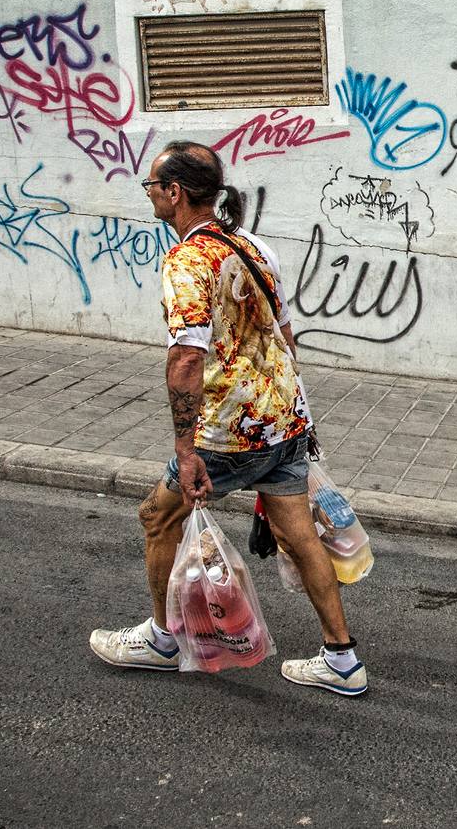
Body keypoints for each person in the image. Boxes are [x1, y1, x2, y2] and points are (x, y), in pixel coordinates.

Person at [89, 140, 366, 695]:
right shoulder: (253, 247)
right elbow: (284, 334)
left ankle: (164, 641)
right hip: (282, 420)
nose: (149, 194)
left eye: (153, 186)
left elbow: (187, 357)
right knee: (300, 536)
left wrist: (187, 449)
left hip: (230, 432)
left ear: (175, 193)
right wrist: (298, 415)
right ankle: (342, 659)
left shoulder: (189, 260)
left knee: (157, 517)